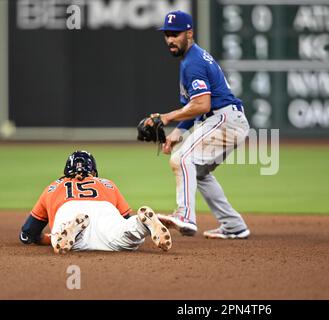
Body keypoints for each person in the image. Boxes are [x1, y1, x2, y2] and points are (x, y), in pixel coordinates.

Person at [146, 10, 250, 239]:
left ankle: (184, 215)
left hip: (224, 119)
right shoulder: (191, 60)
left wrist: (166, 118)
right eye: (167, 34)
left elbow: (202, 105)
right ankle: (234, 225)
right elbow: (193, 107)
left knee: (182, 159)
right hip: (227, 120)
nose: (170, 39)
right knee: (198, 172)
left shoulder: (192, 63)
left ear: (189, 33)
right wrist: (178, 132)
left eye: (176, 34)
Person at [19, 150, 172, 254]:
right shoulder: (107, 184)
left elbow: (28, 234)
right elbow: (124, 218)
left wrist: (43, 238)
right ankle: (140, 225)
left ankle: (73, 230)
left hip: (69, 210)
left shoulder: (53, 187)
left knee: (64, 239)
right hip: (104, 210)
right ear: (93, 171)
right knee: (125, 236)